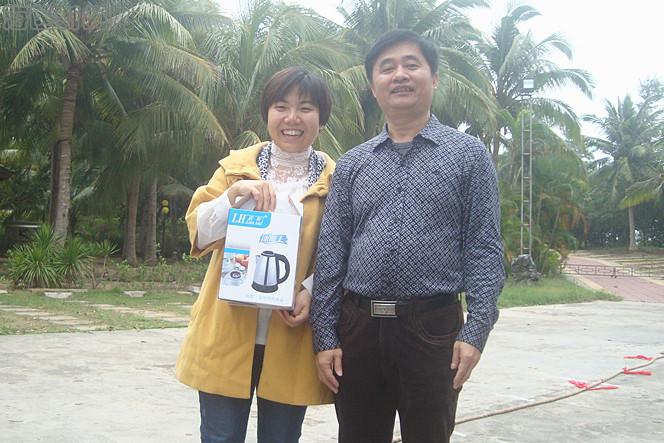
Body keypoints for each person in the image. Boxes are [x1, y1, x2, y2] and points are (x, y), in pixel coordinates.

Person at [310, 30, 505, 443]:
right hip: (358, 330)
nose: (399, 75)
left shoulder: (468, 155)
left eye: (411, 65)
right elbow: (331, 255)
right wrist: (325, 336)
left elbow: (484, 248)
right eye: (387, 68)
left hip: (433, 329)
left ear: (433, 78)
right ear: (373, 86)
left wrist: (476, 331)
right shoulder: (353, 164)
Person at [176, 67, 335, 443]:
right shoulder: (235, 170)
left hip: (291, 334)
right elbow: (199, 232)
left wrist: (311, 291)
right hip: (227, 329)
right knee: (220, 438)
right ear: (267, 113)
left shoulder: (336, 180)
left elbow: (341, 250)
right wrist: (232, 198)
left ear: (321, 118)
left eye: (305, 108)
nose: (292, 118)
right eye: (281, 106)